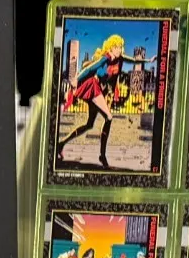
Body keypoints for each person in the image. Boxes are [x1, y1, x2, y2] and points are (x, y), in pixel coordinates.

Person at [57, 34, 153, 168]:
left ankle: (61, 144)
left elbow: (133, 60)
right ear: (111, 47)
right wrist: (76, 79)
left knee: (89, 124)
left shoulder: (120, 58)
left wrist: (148, 60)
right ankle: (102, 155)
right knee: (109, 117)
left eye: (121, 47)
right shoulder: (105, 58)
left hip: (100, 92)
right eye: (117, 47)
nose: (120, 49)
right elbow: (90, 69)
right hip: (94, 88)